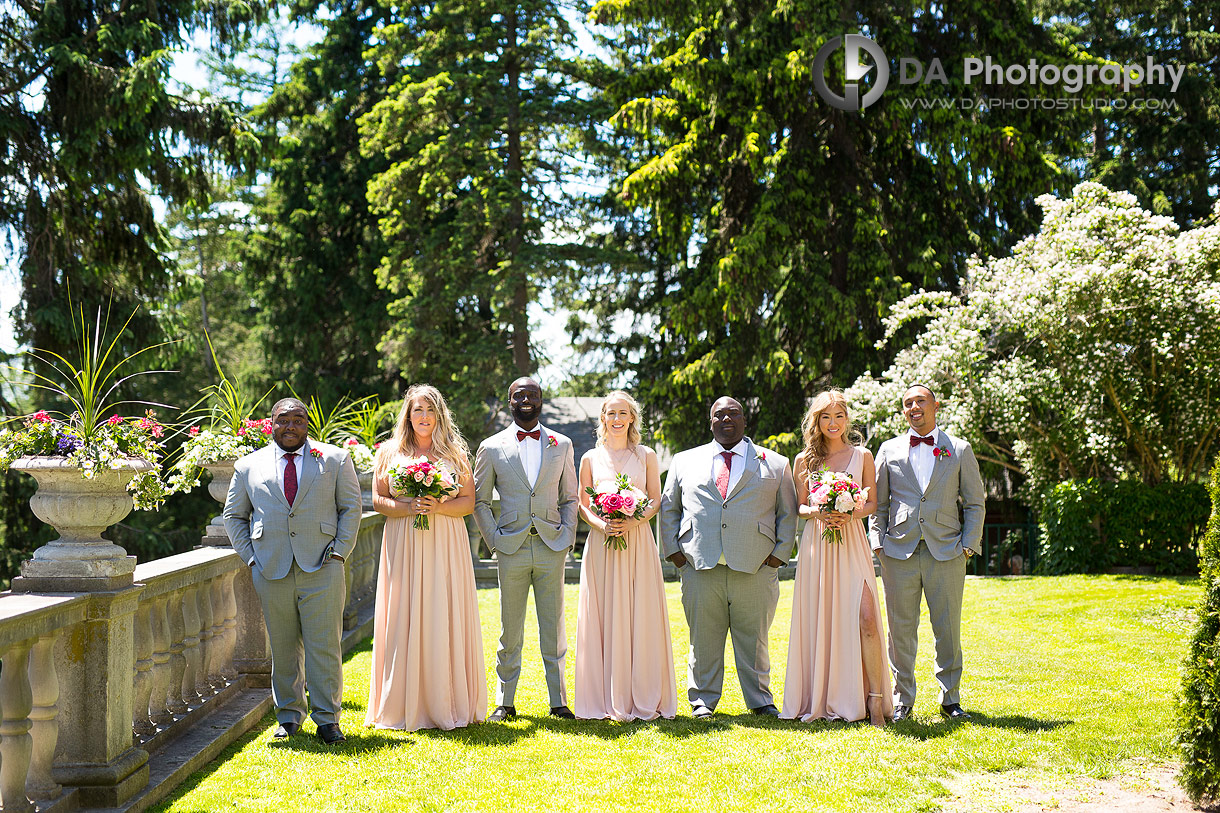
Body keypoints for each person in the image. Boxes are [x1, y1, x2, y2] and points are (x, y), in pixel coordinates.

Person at [224, 397, 362, 744]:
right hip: (271, 569)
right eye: (283, 420)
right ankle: (288, 718)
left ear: (307, 424)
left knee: (324, 646)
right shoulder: (248, 465)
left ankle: (328, 720)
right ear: (271, 423)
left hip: (323, 566)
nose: (290, 427)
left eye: (298, 420)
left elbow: (351, 508)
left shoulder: (334, 459)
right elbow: (233, 515)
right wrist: (251, 557)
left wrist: (340, 554)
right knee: (283, 648)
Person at [658, 396, 798, 718]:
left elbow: (787, 514)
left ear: (744, 420)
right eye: (719, 415)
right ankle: (702, 701)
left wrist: (777, 557)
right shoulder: (684, 460)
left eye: (733, 413)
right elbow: (669, 509)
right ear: (710, 422)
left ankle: (761, 701)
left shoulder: (775, 463)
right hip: (700, 566)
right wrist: (676, 555)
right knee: (702, 640)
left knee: (755, 640)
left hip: (756, 567)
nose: (726, 419)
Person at [364, 385, 487, 730]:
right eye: (418, 410)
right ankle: (402, 703)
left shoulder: (454, 453)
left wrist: (439, 505)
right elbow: (378, 500)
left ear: (439, 415)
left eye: (430, 410)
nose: (424, 417)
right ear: (408, 414)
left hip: (445, 541)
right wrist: (408, 506)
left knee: (442, 611)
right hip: (403, 541)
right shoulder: (389, 452)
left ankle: (446, 699)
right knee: (404, 611)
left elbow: (468, 502)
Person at [870, 384, 985, 722]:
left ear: (936, 405)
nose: (914, 407)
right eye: (908, 404)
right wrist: (877, 542)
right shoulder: (888, 449)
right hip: (898, 552)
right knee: (900, 630)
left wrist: (968, 544)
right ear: (903, 411)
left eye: (921, 401)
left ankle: (950, 700)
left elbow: (975, 502)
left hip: (947, 551)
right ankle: (903, 699)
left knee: (947, 628)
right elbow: (880, 503)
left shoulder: (959, 449)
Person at [781, 390, 892, 727]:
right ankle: (823, 697)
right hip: (819, 547)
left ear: (847, 419)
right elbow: (799, 506)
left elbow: (873, 503)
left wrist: (851, 512)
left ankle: (874, 701)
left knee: (867, 617)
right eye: (826, 417)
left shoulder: (863, 456)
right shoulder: (804, 460)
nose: (833, 423)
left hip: (852, 543)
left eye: (838, 416)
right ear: (817, 420)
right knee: (823, 620)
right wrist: (819, 511)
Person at [473, 377, 579, 721]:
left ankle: (558, 701)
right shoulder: (490, 447)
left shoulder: (561, 444)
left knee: (554, 627)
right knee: (510, 628)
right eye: (519, 395)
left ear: (541, 400)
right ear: (510, 402)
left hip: (551, 546)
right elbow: (480, 501)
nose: (526, 400)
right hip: (512, 548)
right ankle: (505, 701)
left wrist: (565, 538)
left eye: (532, 395)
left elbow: (571, 498)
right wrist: (496, 541)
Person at [574, 391, 677, 721]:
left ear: (632, 418)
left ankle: (643, 692)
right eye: (611, 413)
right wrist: (603, 525)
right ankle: (603, 696)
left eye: (623, 413)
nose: (617, 419)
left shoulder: (647, 455)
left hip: (638, 543)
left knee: (640, 612)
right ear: (602, 418)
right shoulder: (589, 458)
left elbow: (655, 499)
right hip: (602, 546)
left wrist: (633, 520)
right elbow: (583, 505)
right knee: (603, 615)